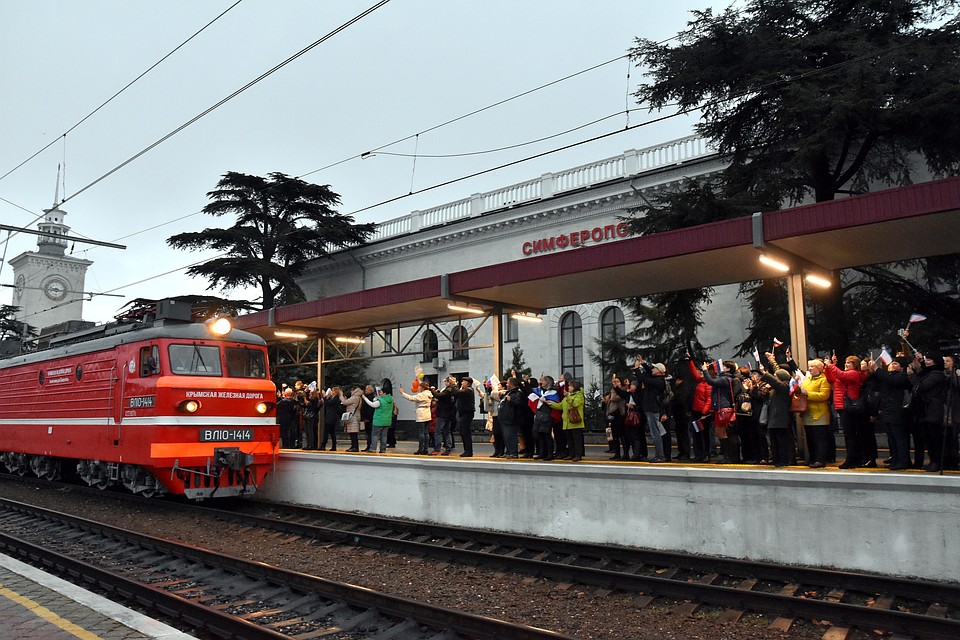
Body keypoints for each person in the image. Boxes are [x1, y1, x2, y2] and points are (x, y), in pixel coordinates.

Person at [870, 357, 914, 470]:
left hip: (897, 411)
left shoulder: (903, 377)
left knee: (899, 437)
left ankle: (903, 461)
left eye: (895, 364)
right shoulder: (888, 377)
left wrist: (877, 369)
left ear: (902, 367)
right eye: (892, 364)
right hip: (887, 410)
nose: (892, 366)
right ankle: (896, 460)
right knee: (892, 438)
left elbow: (892, 381)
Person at [825, 354, 869, 469]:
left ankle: (852, 459)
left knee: (850, 435)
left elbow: (840, 375)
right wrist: (831, 366)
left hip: (848, 407)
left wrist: (831, 365)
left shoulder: (854, 374)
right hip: (843, 406)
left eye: (849, 363)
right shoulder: (848, 374)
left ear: (855, 365)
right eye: (845, 362)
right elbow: (831, 378)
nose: (846, 364)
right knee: (849, 435)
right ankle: (854, 459)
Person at [702, 360, 744, 464]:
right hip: (722, 408)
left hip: (724, 408)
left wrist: (705, 371)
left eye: (724, 367)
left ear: (728, 369)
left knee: (723, 433)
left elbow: (711, 381)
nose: (722, 368)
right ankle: (729, 456)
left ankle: (728, 456)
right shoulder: (725, 378)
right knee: (723, 433)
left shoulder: (725, 379)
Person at [911, 352, 946, 472]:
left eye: (929, 360)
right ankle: (933, 460)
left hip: (933, 409)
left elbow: (922, 386)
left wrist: (912, 377)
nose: (926, 362)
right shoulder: (927, 373)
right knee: (927, 437)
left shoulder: (936, 374)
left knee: (934, 437)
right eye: (926, 359)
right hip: (925, 410)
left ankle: (937, 461)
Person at [799, 359, 832, 468]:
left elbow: (824, 395)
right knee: (810, 438)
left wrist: (808, 394)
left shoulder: (824, 380)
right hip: (808, 412)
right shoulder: (807, 380)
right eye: (809, 367)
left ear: (819, 368)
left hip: (819, 414)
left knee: (820, 438)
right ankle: (812, 458)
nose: (810, 369)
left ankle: (821, 459)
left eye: (812, 367)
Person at [547, 378, 586, 461]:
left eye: (570, 386)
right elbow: (561, 406)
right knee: (570, 440)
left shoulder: (579, 395)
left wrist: (568, 397)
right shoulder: (567, 396)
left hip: (575, 421)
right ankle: (571, 454)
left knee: (577, 440)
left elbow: (575, 404)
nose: (569, 388)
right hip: (567, 421)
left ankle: (578, 454)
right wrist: (551, 404)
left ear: (574, 387)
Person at [399, 380, 433, 454]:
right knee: (426, 432)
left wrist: (403, 393)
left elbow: (411, 398)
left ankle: (421, 449)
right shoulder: (429, 394)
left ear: (422, 388)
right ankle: (426, 448)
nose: (419, 388)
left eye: (420, 387)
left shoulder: (422, 395)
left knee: (421, 432)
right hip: (428, 413)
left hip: (421, 413)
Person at [362, 378, 395, 453]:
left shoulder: (381, 401)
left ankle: (373, 448)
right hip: (387, 420)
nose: (380, 393)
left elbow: (373, 405)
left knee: (375, 435)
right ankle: (383, 449)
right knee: (384, 436)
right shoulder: (391, 400)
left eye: (381, 392)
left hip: (378, 420)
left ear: (385, 392)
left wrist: (365, 398)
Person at [498, 377, 527, 458]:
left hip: (510, 418)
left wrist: (511, 401)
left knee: (510, 436)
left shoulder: (517, 393)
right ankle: (508, 451)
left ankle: (513, 452)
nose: (507, 384)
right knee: (506, 436)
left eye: (508, 383)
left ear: (511, 384)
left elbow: (519, 404)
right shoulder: (508, 393)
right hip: (504, 417)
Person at [532, 375, 559, 461]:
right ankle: (542, 453)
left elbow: (554, 402)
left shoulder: (553, 392)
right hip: (540, 414)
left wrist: (545, 401)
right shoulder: (541, 391)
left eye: (543, 381)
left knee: (547, 435)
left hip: (547, 415)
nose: (541, 382)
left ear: (547, 382)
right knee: (540, 434)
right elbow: (531, 391)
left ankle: (550, 453)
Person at [476, 380, 504, 457]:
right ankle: (497, 450)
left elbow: (494, 394)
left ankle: (501, 450)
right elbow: (486, 397)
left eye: (499, 385)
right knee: (495, 434)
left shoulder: (503, 392)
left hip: (499, 415)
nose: (498, 386)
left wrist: (491, 389)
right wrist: (482, 390)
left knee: (499, 434)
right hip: (493, 416)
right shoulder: (494, 393)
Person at [431, 376, 458, 455]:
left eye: (446, 381)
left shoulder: (448, 390)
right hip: (450, 414)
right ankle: (448, 448)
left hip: (443, 413)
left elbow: (438, 396)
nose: (445, 383)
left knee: (438, 431)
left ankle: (437, 449)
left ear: (449, 382)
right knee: (447, 432)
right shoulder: (454, 390)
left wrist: (432, 390)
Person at [456, 377, 477, 457]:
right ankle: (467, 450)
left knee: (465, 432)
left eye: (463, 381)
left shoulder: (469, 390)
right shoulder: (466, 390)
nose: (462, 383)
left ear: (468, 383)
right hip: (464, 413)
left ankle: (468, 451)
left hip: (467, 413)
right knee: (463, 432)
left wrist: (454, 385)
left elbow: (458, 392)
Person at [341, 386, 364, 452]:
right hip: (355, 416)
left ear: (354, 390)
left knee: (353, 433)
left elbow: (345, 402)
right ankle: (353, 446)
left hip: (353, 417)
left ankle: (355, 447)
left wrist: (341, 396)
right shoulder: (358, 397)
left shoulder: (355, 397)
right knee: (352, 432)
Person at [320, 386, 341, 451]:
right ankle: (333, 445)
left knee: (326, 432)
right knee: (332, 432)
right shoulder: (333, 398)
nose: (331, 392)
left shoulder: (336, 398)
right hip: (331, 416)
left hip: (331, 417)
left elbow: (328, 403)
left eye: (332, 391)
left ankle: (323, 445)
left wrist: (324, 396)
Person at [360, 384, 377, 452]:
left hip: (369, 418)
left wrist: (367, 418)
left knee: (370, 433)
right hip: (367, 417)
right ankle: (369, 445)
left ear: (370, 390)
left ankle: (370, 446)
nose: (365, 391)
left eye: (366, 389)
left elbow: (369, 409)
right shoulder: (368, 397)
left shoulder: (371, 398)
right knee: (368, 433)